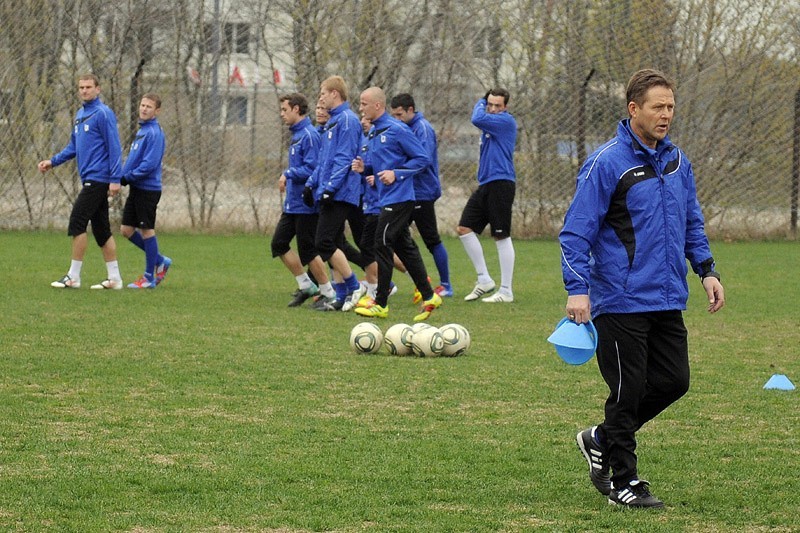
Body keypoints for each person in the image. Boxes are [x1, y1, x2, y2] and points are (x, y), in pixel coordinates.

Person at [560, 69, 725, 508]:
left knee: (674, 381)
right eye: (658, 106)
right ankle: (624, 483)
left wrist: (706, 269)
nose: (666, 114)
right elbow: (575, 233)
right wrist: (578, 288)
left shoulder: (677, 161)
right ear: (634, 109)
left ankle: (601, 436)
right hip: (619, 298)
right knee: (627, 390)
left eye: (670, 106)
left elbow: (691, 220)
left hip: (667, 295)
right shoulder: (607, 162)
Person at [353, 87, 442, 322]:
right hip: (387, 198)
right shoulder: (374, 131)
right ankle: (429, 295)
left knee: (381, 242)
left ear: (377, 106)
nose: (360, 108)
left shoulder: (397, 129)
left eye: (363, 104)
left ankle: (380, 302)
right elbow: (383, 162)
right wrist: (366, 169)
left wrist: (397, 174)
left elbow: (422, 159)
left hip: (401, 197)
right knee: (405, 248)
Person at [38, 73, 124, 290]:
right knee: (102, 229)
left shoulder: (103, 113)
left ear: (98, 89)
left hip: (99, 178)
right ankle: (115, 278)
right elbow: (74, 147)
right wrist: (52, 161)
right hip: (90, 178)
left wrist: (115, 179)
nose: (84, 90)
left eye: (88, 87)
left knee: (77, 221)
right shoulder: (80, 114)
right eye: (81, 87)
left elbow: (114, 147)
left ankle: (73, 276)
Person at [302, 76, 365, 311]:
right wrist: (311, 184)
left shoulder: (347, 120)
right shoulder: (332, 122)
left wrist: (330, 188)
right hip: (329, 189)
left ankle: (354, 286)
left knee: (324, 242)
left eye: (323, 93)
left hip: (341, 192)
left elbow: (344, 159)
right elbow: (324, 160)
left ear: (335, 94)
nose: (320, 97)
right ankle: (339, 297)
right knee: (335, 242)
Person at [271, 93, 336, 306]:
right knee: (279, 243)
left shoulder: (309, 135)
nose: (282, 114)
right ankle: (306, 284)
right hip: (293, 204)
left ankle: (328, 291)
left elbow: (313, 168)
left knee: (308, 250)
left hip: (306, 203)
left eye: (285, 110)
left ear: (297, 109)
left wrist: (288, 174)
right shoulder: (298, 134)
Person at [389, 93, 453, 301]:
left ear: (410, 110)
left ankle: (445, 285)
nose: (397, 119)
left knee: (430, 239)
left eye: (399, 114)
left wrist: (397, 170)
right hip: (408, 191)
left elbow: (422, 160)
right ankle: (414, 281)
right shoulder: (404, 128)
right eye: (394, 115)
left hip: (422, 192)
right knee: (391, 236)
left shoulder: (422, 128)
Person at [457, 88, 517, 303]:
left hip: (501, 183)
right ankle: (484, 279)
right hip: (486, 184)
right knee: (464, 228)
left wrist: (481, 100)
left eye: (496, 105)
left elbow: (475, 117)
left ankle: (506, 290)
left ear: (505, 108)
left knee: (501, 235)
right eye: (489, 104)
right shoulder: (489, 122)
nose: (492, 109)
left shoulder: (504, 121)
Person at [119, 93, 172, 289]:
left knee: (147, 230)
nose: (144, 109)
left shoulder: (154, 133)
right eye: (142, 105)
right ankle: (159, 260)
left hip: (148, 189)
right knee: (126, 229)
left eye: (149, 107)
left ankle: (149, 277)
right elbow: (133, 161)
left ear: (157, 111)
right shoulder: (142, 131)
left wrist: (126, 178)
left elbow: (149, 165)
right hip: (136, 187)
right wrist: (120, 177)